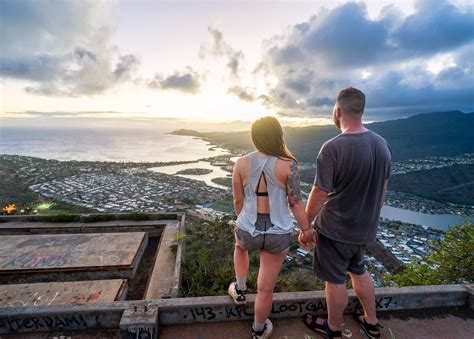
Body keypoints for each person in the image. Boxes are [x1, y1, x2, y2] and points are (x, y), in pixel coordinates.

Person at [302, 87, 391, 338]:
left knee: (335, 280)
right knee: (359, 270)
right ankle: (371, 323)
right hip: (364, 229)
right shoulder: (382, 145)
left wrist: (306, 225)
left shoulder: (332, 147)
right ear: (361, 110)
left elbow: (320, 192)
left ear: (338, 110)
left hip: (335, 229)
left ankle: (332, 328)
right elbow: (382, 193)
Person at [229, 116, 315, 339]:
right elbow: (295, 202)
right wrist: (306, 230)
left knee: (240, 246)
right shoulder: (290, 164)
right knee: (265, 289)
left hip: (248, 228)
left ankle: (239, 288)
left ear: (254, 136)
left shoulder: (240, 163)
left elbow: (238, 201)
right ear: (279, 136)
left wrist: (244, 220)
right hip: (278, 233)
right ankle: (258, 330)